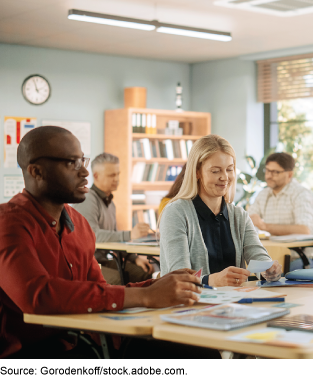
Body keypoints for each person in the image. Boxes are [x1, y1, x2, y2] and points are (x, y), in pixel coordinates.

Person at [0, 126, 206, 358]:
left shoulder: (79, 224)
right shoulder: (8, 223)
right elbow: (36, 295)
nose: (85, 172)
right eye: (72, 163)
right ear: (36, 171)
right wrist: (146, 296)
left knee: (197, 350)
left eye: (82, 161)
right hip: (31, 354)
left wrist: (155, 286)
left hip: (87, 342)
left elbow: (102, 291)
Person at [159, 134, 282, 287]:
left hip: (234, 304)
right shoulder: (175, 213)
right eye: (215, 171)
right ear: (197, 172)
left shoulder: (239, 216)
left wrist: (269, 269)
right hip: (190, 305)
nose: (224, 177)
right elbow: (177, 276)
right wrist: (212, 281)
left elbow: (258, 257)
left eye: (229, 170)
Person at [72, 153, 153, 284]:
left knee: (144, 274)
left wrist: (134, 259)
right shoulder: (88, 199)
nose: (117, 179)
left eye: (117, 174)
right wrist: (130, 234)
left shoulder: (110, 203)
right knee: (116, 280)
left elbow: (114, 239)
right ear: (96, 176)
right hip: (84, 264)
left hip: (102, 261)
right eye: (111, 175)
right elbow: (93, 235)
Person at [249, 152, 313, 236]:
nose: (269, 176)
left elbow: (304, 230)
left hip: (301, 248)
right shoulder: (263, 194)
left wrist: (264, 226)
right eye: (267, 170)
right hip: (277, 247)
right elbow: (250, 219)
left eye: (275, 172)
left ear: (290, 174)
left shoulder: (301, 194)